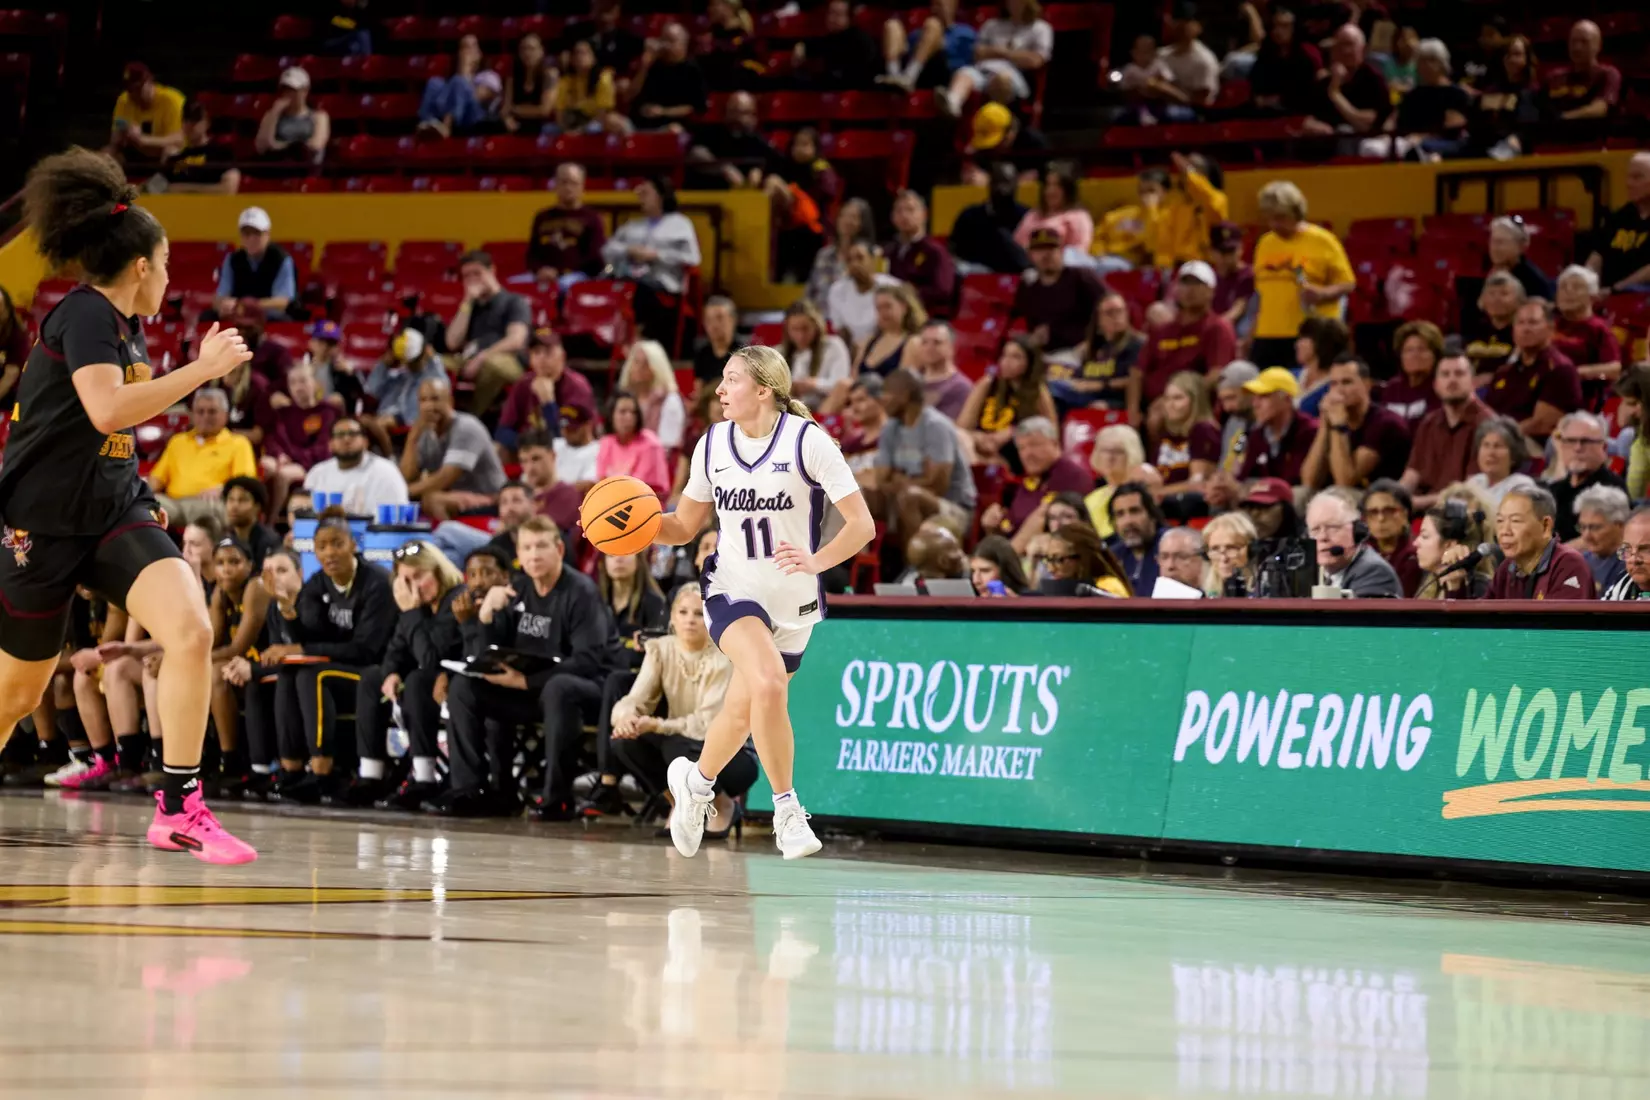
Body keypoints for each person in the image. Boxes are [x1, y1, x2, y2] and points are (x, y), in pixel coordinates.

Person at [0, 149, 257, 856]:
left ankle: (179, 805)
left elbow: (104, 438)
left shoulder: (126, 327)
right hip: (41, 526)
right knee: (16, 696)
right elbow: (108, 409)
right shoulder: (83, 314)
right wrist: (202, 370)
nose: (170, 278)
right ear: (141, 265)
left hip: (113, 514)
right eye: (167, 263)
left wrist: (140, 492)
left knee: (192, 631)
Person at [649, 345, 875, 859]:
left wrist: (819, 561)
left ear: (763, 390)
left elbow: (863, 525)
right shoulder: (712, 444)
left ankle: (697, 784)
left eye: (730, 381)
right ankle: (787, 810)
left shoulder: (808, 443)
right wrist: (632, 527)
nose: (720, 390)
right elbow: (684, 526)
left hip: (794, 601)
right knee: (770, 683)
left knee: (744, 709)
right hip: (732, 587)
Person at [435, 517, 625, 818]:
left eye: (541, 546)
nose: (534, 555)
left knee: (559, 688)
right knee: (464, 687)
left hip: (589, 691)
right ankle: (468, 791)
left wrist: (526, 682)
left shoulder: (581, 592)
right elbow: (489, 654)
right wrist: (485, 616)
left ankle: (557, 800)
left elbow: (588, 661)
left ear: (559, 549)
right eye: (526, 548)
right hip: (532, 689)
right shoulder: (517, 589)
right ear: (519, 556)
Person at [259, 511, 395, 803]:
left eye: (337, 544)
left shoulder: (377, 583)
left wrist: (305, 650)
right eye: (322, 546)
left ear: (354, 544)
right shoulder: (318, 583)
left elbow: (366, 650)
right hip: (338, 671)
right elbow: (307, 636)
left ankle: (323, 772)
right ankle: (291, 769)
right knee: (288, 674)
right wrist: (286, 607)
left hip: (374, 675)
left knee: (313, 674)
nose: (329, 552)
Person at [605, 584, 756, 832]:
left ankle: (723, 805)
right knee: (625, 742)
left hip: (733, 757)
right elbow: (637, 697)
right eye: (683, 612)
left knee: (677, 744)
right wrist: (627, 718)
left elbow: (706, 724)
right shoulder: (660, 648)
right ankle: (679, 803)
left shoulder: (725, 654)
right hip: (681, 741)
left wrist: (656, 725)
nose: (690, 620)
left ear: (710, 619)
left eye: (698, 614)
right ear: (672, 618)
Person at [1249, 181, 1354, 369]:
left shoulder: (1323, 240)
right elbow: (1261, 295)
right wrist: (1250, 335)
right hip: (1266, 335)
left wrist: (1322, 293)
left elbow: (1347, 283)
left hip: (1307, 336)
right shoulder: (1265, 243)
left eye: (1280, 217)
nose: (1274, 224)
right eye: (1270, 218)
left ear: (1296, 211)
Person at [872, 368, 976, 546]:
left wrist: (899, 479)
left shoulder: (936, 426)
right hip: (903, 499)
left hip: (953, 508)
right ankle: (858, 564)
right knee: (864, 495)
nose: (881, 401)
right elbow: (881, 479)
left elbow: (938, 486)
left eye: (886, 395)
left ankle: (914, 568)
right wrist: (906, 481)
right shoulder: (890, 428)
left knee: (909, 497)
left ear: (904, 396)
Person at [1130, 261, 1236, 425]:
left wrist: (1173, 399)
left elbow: (1216, 375)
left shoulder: (1217, 328)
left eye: (1197, 284)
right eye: (1185, 283)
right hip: (1153, 404)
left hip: (1195, 406)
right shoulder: (1163, 330)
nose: (1190, 289)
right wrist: (1133, 410)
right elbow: (1137, 372)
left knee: (1158, 419)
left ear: (1211, 291)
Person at [600, 177, 703, 342]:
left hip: (664, 283)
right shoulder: (633, 226)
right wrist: (629, 250)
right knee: (611, 288)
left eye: (646, 193)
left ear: (661, 196)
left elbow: (693, 258)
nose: (641, 197)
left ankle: (636, 339)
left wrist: (656, 255)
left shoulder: (680, 224)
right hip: (632, 278)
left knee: (637, 292)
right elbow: (607, 250)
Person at [400, 378, 508, 521]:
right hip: (457, 497)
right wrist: (412, 439)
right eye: (423, 400)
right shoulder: (425, 432)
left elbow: (445, 478)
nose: (429, 406)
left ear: (450, 402)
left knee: (432, 499)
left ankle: (448, 538)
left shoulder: (466, 427)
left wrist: (403, 492)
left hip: (492, 499)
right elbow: (406, 477)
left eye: (435, 399)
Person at [147, 387, 258, 526]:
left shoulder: (238, 443)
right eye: (200, 412)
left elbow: (245, 484)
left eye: (212, 412)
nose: (205, 417)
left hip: (212, 504)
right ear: (192, 415)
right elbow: (156, 480)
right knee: (145, 507)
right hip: (174, 504)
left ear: (225, 415)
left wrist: (222, 489)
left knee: (218, 510)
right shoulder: (178, 441)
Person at [1400, 346, 1492, 511]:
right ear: (1436, 385)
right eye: (1445, 374)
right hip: (1424, 510)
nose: (1452, 380)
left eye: (1459, 374)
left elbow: (1471, 492)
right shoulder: (1429, 422)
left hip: (1462, 514)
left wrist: (1414, 503)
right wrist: (1393, 498)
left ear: (1473, 382)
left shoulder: (1486, 424)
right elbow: (1412, 474)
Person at [1300, 357, 1411, 490]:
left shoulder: (1386, 423)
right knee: (1300, 494)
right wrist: (1324, 424)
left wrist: (1338, 426)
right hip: (1338, 498)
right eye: (1334, 384)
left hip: (1378, 499)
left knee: (1336, 494)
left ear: (1367, 384)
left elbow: (1345, 482)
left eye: (1346, 382)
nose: (1339, 390)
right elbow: (1308, 482)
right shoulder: (1334, 417)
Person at [445, 250, 531, 417]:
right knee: (434, 362)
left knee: (492, 364)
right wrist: (467, 302)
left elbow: (516, 340)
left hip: (508, 361)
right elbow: (452, 342)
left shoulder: (514, 301)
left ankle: (474, 415)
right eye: (467, 276)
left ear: (492, 271)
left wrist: (483, 356)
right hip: (469, 359)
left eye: (477, 273)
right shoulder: (470, 307)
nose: (472, 280)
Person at [1483, 299, 1582, 441]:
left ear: (1550, 328)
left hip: (1534, 446)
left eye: (1533, 323)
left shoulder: (1560, 369)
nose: (1526, 329)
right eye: (1520, 323)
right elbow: (1486, 414)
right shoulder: (1504, 372)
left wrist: (1499, 437)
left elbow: (1542, 424)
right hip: (1498, 441)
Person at [494, 328, 598, 458]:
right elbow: (502, 431)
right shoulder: (523, 384)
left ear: (562, 357)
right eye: (536, 352)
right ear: (530, 358)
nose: (542, 358)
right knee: (497, 449)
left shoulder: (576, 387)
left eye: (548, 352)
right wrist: (530, 445)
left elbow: (565, 440)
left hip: (571, 454)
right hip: (531, 451)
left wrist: (548, 403)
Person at [940, 0, 1051, 117]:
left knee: (1001, 80)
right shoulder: (992, 25)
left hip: (1013, 74)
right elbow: (978, 53)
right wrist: (1016, 54)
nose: (1013, 4)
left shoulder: (1041, 28)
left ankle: (995, 121)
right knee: (963, 73)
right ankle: (952, 104)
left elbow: (1035, 61)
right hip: (982, 70)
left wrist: (1002, 52)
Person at [1485, 483, 1596, 600]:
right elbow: (1481, 615)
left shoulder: (1569, 565)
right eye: (1500, 520)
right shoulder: (1506, 569)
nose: (1505, 531)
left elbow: (1563, 618)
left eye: (1515, 521)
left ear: (1545, 525)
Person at [959, 336, 1056, 466]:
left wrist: (1013, 433)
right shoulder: (988, 383)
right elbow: (962, 427)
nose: (1006, 362)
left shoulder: (1039, 393)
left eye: (1016, 357)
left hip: (1015, 455)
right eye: (1004, 355)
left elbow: (1052, 436)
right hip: (980, 448)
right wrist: (976, 437)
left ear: (1030, 363)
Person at [259, 361, 338, 517]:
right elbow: (273, 440)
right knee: (265, 464)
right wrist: (280, 455)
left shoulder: (327, 412)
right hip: (287, 460)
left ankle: (270, 522)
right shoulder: (284, 412)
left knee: (283, 475)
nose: (298, 387)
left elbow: (323, 448)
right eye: (293, 382)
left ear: (315, 384)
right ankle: (255, 519)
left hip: (312, 465)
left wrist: (293, 457)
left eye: (303, 381)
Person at [1012, 227, 1105, 359]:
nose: (1046, 255)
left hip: (1078, 352)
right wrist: (1032, 339)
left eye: (1051, 248)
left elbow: (1110, 307)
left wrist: (1092, 343)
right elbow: (1020, 324)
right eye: (1039, 250)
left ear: (1061, 251)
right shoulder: (1029, 287)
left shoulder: (1081, 277)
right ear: (1030, 255)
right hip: (1043, 356)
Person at [361, 328, 448, 452]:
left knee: (377, 424)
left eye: (413, 361)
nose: (409, 365)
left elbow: (443, 388)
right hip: (383, 414)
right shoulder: (398, 376)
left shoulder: (431, 376)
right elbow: (371, 390)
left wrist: (432, 359)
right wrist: (384, 364)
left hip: (406, 417)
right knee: (363, 423)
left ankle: (389, 457)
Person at [1306, 487, 1402, 598]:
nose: (1322, 537)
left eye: (1332, 527)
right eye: (1315, 530)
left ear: (1356, 531)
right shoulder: (1314, 573)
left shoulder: (1374, 572)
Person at [524, 164, 608, 291]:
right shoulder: (542, 217)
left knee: (561, 286)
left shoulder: (592, 218)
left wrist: (560, 272)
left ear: (582, 186)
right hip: (542, 274)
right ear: (555, 185)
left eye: (574, 183)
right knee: (510, 287)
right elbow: (532, 253)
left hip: (578, 275)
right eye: (563, 182)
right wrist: (539, 270)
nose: (568, 187)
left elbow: (595, 258)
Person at [303, 418, 411, 515]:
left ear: (365, 442)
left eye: (353, 434)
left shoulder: (386, 471)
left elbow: (396, 517)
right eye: (340, 435)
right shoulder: (317, 473)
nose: (346, 439)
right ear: (330, 445)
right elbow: (305, 515)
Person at [1056, 293, 1141, 414]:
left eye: (1120, 311)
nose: (1116, 316)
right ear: (1098, 319)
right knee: (1052, 388)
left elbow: (1135, 381)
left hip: (1115, 399)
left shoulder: (1136, 344)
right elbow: (1081, 377)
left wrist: (1100, 385)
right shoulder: (1093, 347)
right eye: (1110, 312)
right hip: (1084, 395)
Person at [1547, 411, 1625, 542]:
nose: (1577, 448)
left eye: (1586, 441)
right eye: (1570, 441)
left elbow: (1597, 540)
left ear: (1604, 447)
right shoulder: (1553, 489)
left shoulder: (1612, 490)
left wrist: (1553, 557)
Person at [1302, 24, 1390, 138]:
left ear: (1363, 49)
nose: (1345, 51)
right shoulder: (1324, 82)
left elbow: (1367, 124)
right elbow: (1309, 116)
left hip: (1363, 140)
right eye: (1340, 46)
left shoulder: (1373, 79)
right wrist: (1314, 125)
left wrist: (1335, 93)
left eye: (1350, 45)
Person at [1552, 264, 1623, 401]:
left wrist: (1575, 373)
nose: (1568, 291)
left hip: (1580, 395)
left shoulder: (1598, 329)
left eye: (1577, 287)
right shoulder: (1548, 323)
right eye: (1563, 287)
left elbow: (1614, 370)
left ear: (1593, 297)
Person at [214, 206, 296, 321]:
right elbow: (221, 296)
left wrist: (247, 306)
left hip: (268, 317)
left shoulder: (281, 259)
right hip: (238, 317)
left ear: (267, 234)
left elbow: (282, 302)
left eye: (256, 233)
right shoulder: (232, 259)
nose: (251, 239)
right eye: (246, 234)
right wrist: (223, 305)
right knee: (209, 317)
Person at [1236, 367, 1316, 485]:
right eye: (1254, 397)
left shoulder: (1309, 431)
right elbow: (1244, 477)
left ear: (1287, 399)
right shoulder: (1257, 434)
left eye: (1263, 396)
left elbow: (1295, 480)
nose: (1255, 404)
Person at [949, 162, 1031, 275]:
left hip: (1016, 275)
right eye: (998, 182)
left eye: (1007, 183)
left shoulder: (1027, 216)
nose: (1002, 189)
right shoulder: (969, 215)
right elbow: (953, 249)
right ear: (990, 185)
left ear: (1016, 185)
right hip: (976, 275)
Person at [1586, 152, 1650, 295]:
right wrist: (1587, 285)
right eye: (1629, 177)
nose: (1629, 183)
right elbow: (1597, 256)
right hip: (1608, 294)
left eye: (1637, 177)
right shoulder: (1622, 215)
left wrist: (1615, 289)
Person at [881, 0, 977, 94]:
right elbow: (907, 51)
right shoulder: (918, 33)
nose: (936, 9)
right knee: (892, 25)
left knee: (933, 24)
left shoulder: (965, 32)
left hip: (944, 73)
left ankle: (909, 77)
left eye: (940, 5)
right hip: (917, 69)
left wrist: (940, 45)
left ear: (954, 5)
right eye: (934, 5)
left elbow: (965, 62)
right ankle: (893, 75)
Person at [886, 190, 956, 318]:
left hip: (925, 315)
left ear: (924, 214)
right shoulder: (890, 251)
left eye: (910, 210)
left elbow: (943, 290)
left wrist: (909, 293)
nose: (904, 215)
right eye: (899, 211)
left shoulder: (935, 251)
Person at [1149, 370, 1220, 495]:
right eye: (1167, 399)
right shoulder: (1167, 433)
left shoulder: (1204, 430)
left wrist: (1157, 493)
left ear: (1196, 400)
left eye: (1178, 398)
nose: (1170, 405)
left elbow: (1198, 484)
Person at [417, 35, 500, 138]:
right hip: (448, 110)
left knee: (459, 82)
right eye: (465, 47)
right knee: (434, 82)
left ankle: (446, 126)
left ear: (480, 53)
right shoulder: (452, 80)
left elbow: (476, 97)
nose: (468, 52)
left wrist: (465, 70)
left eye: (473, 47)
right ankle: (426, 124)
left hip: (474, 118)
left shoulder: (489, 76)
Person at [148, 102, 241, 195]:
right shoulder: (175, 158)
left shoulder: (222, 154)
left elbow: (228, 189)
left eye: (195, 120)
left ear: (207, 123)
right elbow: (150, 188)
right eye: (186, 119)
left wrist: (182, 189)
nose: (190, 124)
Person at [629, 23, 708, 131]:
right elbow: (629, 97)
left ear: (683, 44)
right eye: (663, 40)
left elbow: (696, 107)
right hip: (641, 124)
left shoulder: (693, 70)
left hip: (673, 125)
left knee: (673, 130)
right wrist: (644, 67)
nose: (665, 45)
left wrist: (663, 111)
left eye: (671, 41)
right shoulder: (652, 66)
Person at [1084, 424, 1159, 537]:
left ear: (1132, 454)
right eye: (1104, 451)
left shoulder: (1142, 487)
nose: (1109, 458)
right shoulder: (1092, 498)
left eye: (1117, 452)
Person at [1413, 495, 1494, 599]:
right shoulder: (1430, 579)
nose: (1415, 543)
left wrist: (1454, 587)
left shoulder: (1477, 588)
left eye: (1425, 536)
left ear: (1450, 545)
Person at [109, 62, 185, 169]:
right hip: (138, 153)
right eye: (130, 90)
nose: (134, 94)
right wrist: (124, 132)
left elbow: (179, 139)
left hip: (165, 154)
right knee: (108, 155)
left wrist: (143, 140)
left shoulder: (171, 100)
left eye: (137, 88)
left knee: (171, 152)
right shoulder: (124, 100)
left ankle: (168, 184)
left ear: (149, 82)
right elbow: (116, 134)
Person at [1013, 162, 1095, 262]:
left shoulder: (1078, 216)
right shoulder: (1033, 214)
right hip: (1027, 263)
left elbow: (1079, 251)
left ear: (1067, 190)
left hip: (1061, 266)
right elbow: (1017, 244)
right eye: (1048, 185)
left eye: (1057, 186)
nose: (1050, 190)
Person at [1543, 19, 1620, 125]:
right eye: (1573, 41)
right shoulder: (1553, 76)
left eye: (1584, 42)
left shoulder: (1608, 74)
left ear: (1598, 45)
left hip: (1590, 136)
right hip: (1551, 137)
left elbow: (1600, 108)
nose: (1577, 47)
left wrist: (1563, 118)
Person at [826, 241, 899, 351]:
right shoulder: (837, 290)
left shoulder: (892, 286)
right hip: (853, 350)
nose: (855, 264)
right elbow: (841, 331)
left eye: (860, 258)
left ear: (872, 260)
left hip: (887, 346)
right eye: (849, 260)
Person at [1248, 7, 1321, 116]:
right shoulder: (1267, 53)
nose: (1279, 31)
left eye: (1285, 26)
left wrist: (1279, 99)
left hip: (1296, 111)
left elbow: (1305, 93)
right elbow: (1256, 82)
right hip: (1265, 110)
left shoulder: (1306, 56)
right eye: (1276, 25)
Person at [778, 300, 851, 409]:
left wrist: (814, 385)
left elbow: (839, 383)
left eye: (805, 329)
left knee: (845, 385)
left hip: (825, 406)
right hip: (791, 408)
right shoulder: (779, 352)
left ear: (816, 326)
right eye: (794, 329)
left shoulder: (834, 346)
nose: (800, 336)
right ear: (787, 329)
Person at [596, 392, 671, 498]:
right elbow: (601, 482)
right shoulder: (606, 442)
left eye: (633, 412)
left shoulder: (650, 444)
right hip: (613, 502)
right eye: (623, 412)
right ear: (611, 415)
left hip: (645, 503)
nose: (629, 417)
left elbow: (639, 488)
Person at [806, 198, 877, 309]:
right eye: (843, 215)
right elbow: (810, 292)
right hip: (821, 318)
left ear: (863, 223)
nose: (847, 221)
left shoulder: (871, 255)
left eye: (854, 217)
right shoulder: (824, 255)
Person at [794, 0, 880, 90]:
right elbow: (813, 45)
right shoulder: (829, 38)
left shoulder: (861, 42)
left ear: (849, 18)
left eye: (838, 15)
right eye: (830, 13)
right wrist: (801, 46)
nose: (832, 19)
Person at [254, 67, 331, 166]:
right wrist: (274, 113)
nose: (289, 94)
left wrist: (280, 146)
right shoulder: (272, 115)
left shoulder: (319, 117)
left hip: (307, 168)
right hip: (279, 167)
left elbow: (315, 145)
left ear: (305, 91)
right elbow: (262, 147)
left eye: (293, 90)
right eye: (285, 90)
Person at [619, 340, 686, 450]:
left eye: (645, 364)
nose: (639, 368)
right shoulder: (623, 399)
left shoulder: (670, 400)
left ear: (656, 368)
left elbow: (668, 446)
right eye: (636, 362)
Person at [1035, 521, 1130, 597]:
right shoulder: (1056, 590)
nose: (1051, 569)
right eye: (1048, 560)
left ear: (1083, 559)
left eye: (1059, 560)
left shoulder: (1109, 588)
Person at [1361, 478, 1422, 596]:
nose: (1381, 519)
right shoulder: (1360, 555)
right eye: (1373, 512)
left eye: (1389, 510)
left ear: (1405, 514)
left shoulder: (1415, 556)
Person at [1378, 321, 1444, 429]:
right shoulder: (1392, 388)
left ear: (1435, 355)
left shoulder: (1440, 387)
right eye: (1409, 350)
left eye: (1422, 349)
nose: (1415, 355)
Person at [1464, 416, 1537, 514]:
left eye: (1498, 446)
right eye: (1486, 445)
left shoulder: (1521, 486)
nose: (1490, 453)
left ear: (1513, 455)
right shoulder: (1474, 482)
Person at [852, 283, 925, 379]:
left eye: (888, 306)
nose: (883, 313)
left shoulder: (913, 343)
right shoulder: (868, 342)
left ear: (904, 307)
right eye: (879, 308)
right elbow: (853, 378)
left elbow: (904, 384)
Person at [550, 38, 620, 135]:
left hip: (595, 123)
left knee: (594, 128)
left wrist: (580, 131)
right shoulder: (565, 81)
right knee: (548, 129)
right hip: (572, 123)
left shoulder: (603, 78)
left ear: (593, 57)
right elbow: (559, 112)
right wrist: (565, 129)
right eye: (576, 53)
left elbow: (602, 113)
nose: (579, 56)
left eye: (584, 53)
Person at [1463, 271, 1524, 379]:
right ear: (1482, 301)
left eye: (1504, 294)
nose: (1497, 299)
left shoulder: (1523, 332)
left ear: (1519, 301)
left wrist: (1492, 378)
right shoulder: (1474, 329)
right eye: (1491, 294)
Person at [1104, 483, 1163, 592]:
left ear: (1152, 515)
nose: (1128, 521)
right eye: (1120, 514)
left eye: (1135, 511)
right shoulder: (1112, 557)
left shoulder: (1172, 548)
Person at [1573, 484, 1630, 593]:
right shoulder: (1581, 560)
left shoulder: (1630, 563)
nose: (1586, 536)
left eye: (1595, 527)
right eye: (1582, 527)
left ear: (1620, 525)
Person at [914, 321, 973, 423]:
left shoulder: (960, 387)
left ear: (952, 347)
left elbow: (944, 429)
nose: (929, 348)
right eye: (924, 342)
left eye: (937, 342)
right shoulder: (912, 379)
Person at [221, 476, 281, 571]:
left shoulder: (270, 541)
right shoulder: (224, 539)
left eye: (243, 500)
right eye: (231, 499)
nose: (234, 506)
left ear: (257, 506)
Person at [502, 32, 555, 134]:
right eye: (523, 49)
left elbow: (544, 110)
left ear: (541, 51)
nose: (527, 53)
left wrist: (515, 110)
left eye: (532, 49)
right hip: (518, 122)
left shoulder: (549, 75)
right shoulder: (512, 78)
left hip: (541, 123)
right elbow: (506, 108)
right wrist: (507, 119)